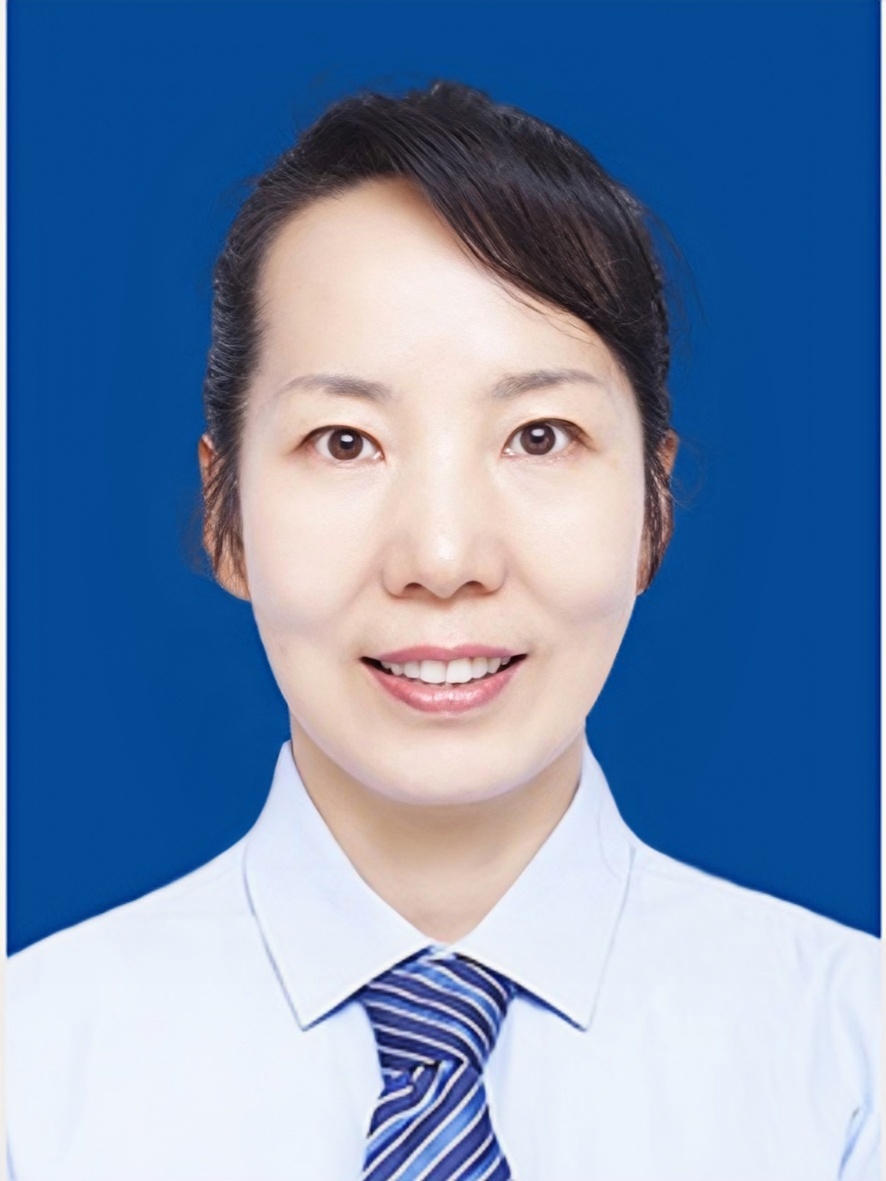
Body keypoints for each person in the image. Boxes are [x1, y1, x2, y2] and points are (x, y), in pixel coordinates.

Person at [7, 81, 879, 1181]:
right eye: (344, 441)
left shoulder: (848, 1063)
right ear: (224, 517)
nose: (443, 555)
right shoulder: (31, 1077)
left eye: (540, 435)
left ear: (653, 510)